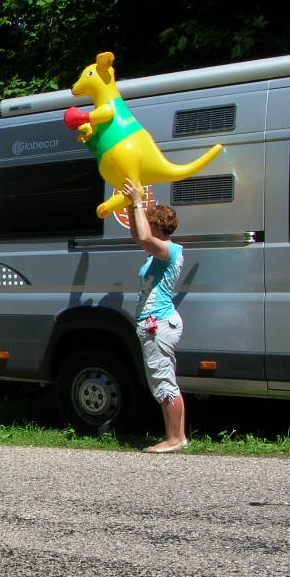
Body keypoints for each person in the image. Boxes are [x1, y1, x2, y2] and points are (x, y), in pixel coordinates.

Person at [121, 178, 188, 454]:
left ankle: (173, 440)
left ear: (158, 226)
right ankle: (179, 437)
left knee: (163, 381)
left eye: (150, 221)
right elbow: (140, 237)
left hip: (158, 325)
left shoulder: (168, 251)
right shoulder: (155, 253)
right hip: (157, 324)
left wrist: (138, 201)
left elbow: (145, 239)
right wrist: (129, 207)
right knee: (166, 379)